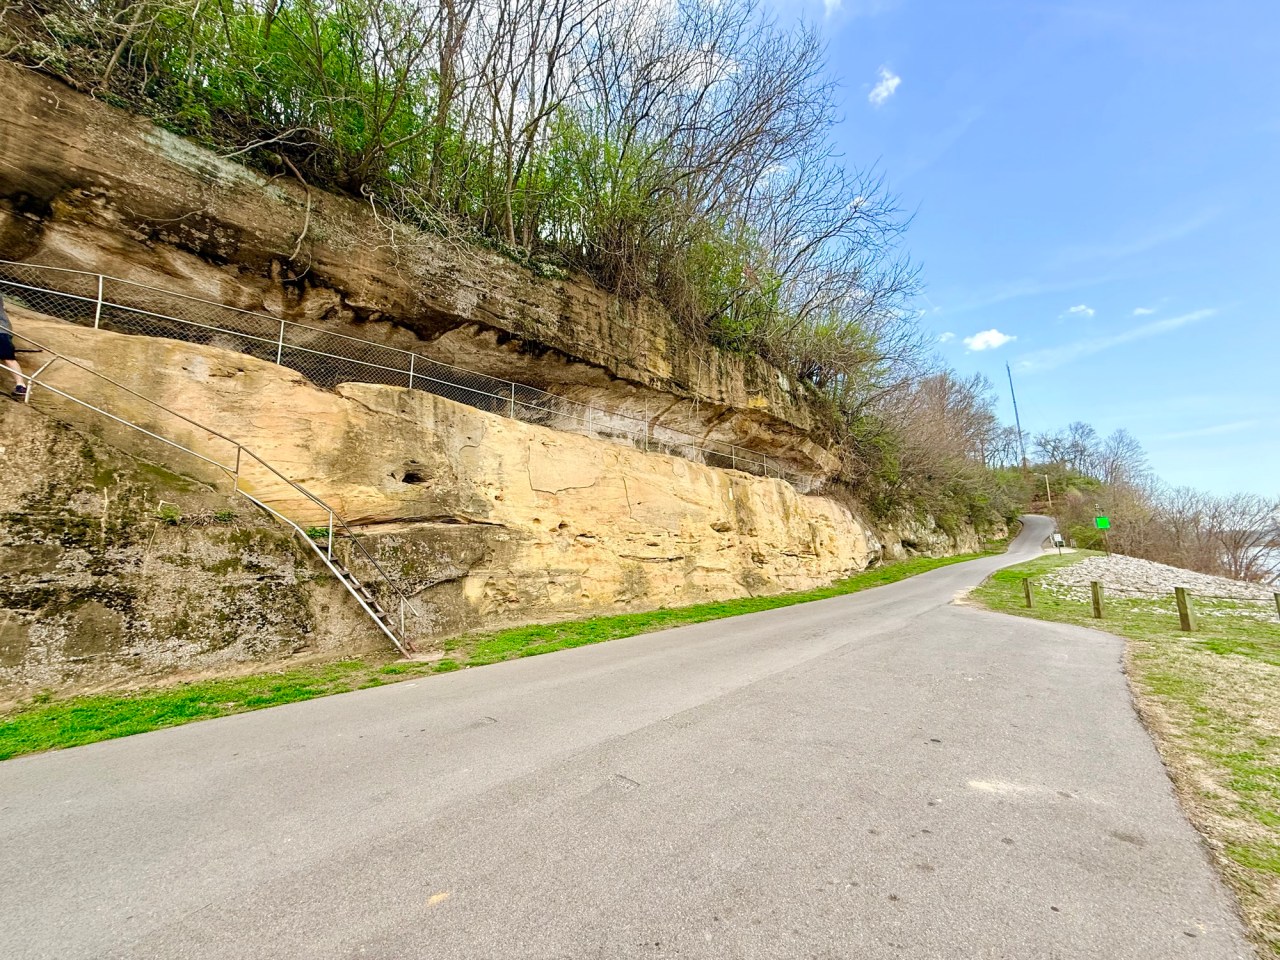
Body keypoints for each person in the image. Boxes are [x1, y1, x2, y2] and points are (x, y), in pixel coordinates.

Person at [0, 292, 26, 398]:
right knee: (8, 357)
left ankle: (21, 385)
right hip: (4, 329)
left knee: (8, 357)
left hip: (1, 329)